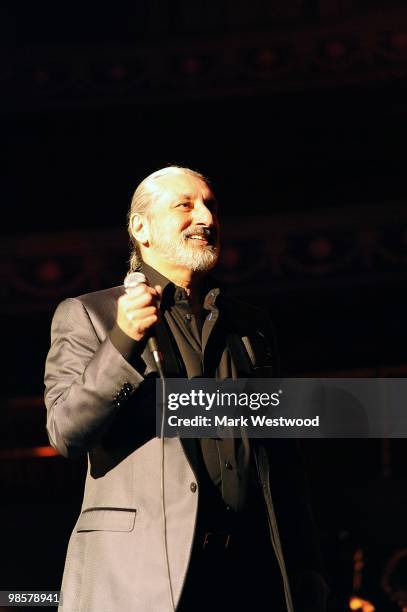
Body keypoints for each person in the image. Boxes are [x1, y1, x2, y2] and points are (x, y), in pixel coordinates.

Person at [44, 166, 329, 612]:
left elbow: (283, 458)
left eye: (211, 206)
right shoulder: (91, 315)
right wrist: (122, 343)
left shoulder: (250, 326)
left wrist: (306, 567)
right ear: (141, 228)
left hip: (249, 574)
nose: (207, 218)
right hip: (140, 579)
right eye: (186, 205)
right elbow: (66, 433)